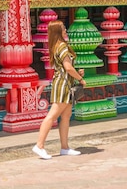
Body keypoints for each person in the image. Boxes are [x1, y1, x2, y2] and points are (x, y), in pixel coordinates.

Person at [32, 20, 87, 159]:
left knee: (66, 116)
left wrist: (76, 73)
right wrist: (80, 79)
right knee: (52, 116)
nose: (65, 30)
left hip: (64, 83)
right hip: (63, 85)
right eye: (63, 28)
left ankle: (65, 147)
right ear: (58, 31)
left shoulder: (57, 45)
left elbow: (67, 68)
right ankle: (39, 145)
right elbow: (68, 68)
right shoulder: (62, 46)